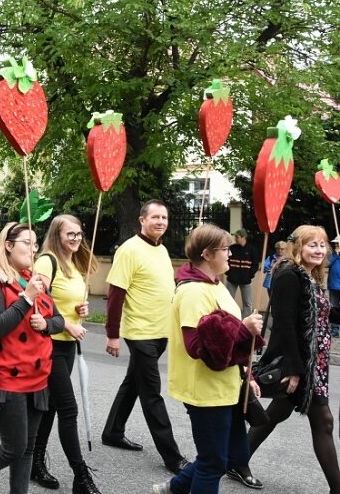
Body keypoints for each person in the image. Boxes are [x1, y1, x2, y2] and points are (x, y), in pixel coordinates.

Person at [152, 223, 264, 494]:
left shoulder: (216, 285)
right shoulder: (192, 291)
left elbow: (232, 339)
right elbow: (197, 347)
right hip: (204, 390)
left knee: (218, 457)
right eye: (225, 249)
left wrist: (247, 375)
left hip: (224, 388)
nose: (230, 253)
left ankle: (174, 488)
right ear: (207, 254)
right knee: (213, 463)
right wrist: (244, 328)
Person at [0, 222, 65, 494]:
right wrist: (27, 299)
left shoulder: (35, 279)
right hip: (7, 377)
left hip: (37, 375)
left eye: (35, 243)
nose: (34, 249)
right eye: (26, 243)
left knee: (28, 447)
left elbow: (58, 319)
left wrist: (48, 325)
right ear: (8, 246)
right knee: (13, 447)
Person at [243, 225, 340, 493]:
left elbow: (319, 316)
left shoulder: (312, 276)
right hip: (300, 362)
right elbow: (284, 324)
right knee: (324, 420)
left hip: (315, 363)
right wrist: (294, 369)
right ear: (298, 248)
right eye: (312, 245)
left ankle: (236, 460)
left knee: (278, 411)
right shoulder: (289, 276)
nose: (319, 250)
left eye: (322, 245)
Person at [101, 199, 187, 475]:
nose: (161, 222)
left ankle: (113, 432)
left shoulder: (161, 249)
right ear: (142, 220)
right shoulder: (129, 250)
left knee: (133, 383)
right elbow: (115, 295)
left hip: (162, 331)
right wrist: (112, 334)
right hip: (140, 333)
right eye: (155, 217)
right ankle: (173, 457)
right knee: (152, 394)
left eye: (164, 217)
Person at [31, 215, 101, 493]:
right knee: (68, 409)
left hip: (69, 347)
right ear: (56, 235)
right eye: (69, 234)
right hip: (50, 345)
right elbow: (38, 302)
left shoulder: (73, 262)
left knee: (50, 407)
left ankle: (35, 463)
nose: (75, 239)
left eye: (79, 234)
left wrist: (80, 310)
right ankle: (81, 478)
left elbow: (64, 301)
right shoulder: (46, 261)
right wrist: (67, 324)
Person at [226, 229, 258, 319]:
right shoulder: (232, 248)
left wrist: (249, 276)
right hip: (232, 279)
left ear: (243, 237)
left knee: (247, 302)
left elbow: (255, 265)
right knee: (227, 299)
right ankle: (227, 318)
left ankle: (247, 320)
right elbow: (225, 260)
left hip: (245, 280)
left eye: (237, 237)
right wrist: (229, 273)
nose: (235, 238)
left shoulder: (252, 250)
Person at [328, 236, 340, 338]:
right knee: (334, 309)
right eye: (335, 244)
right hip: (334, 286)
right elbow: (326, 264)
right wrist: (336, 254)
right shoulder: (332, 255)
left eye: (337, 244)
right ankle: (335, 330)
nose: (336, 245)